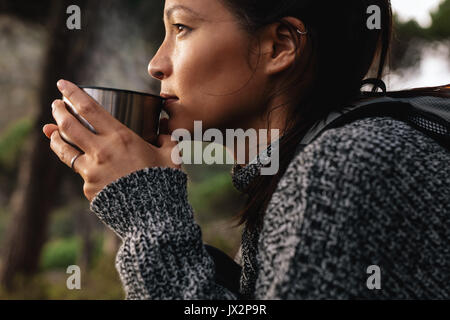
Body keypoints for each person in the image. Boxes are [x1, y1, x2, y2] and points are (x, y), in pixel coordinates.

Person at [42, 0, 450, 299]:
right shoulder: (308, 165)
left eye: (181, 28)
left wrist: (146, 212)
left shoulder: (347, 165)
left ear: (279, 47)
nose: (155, 63)